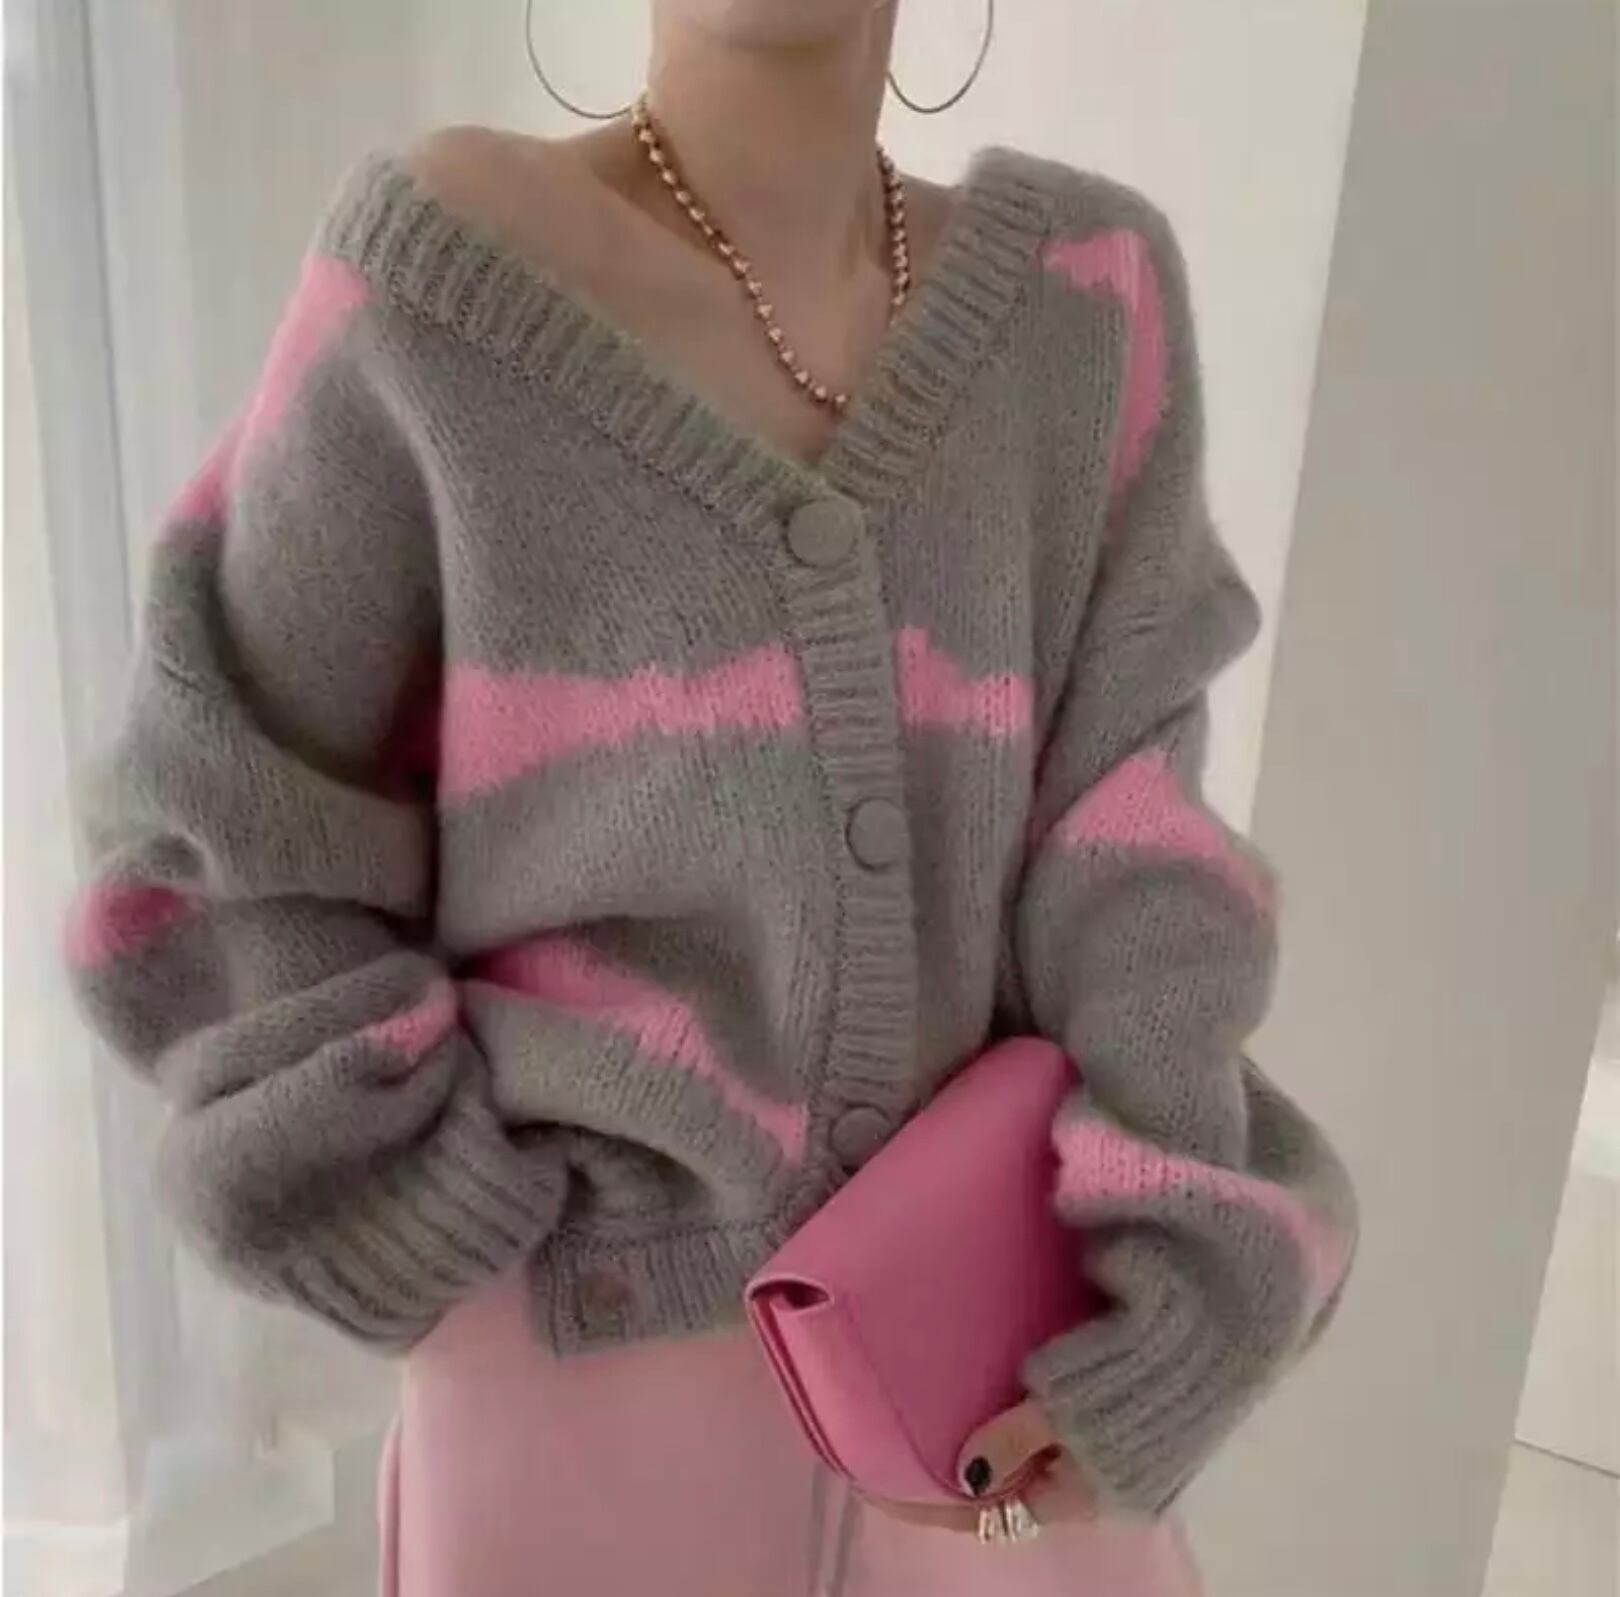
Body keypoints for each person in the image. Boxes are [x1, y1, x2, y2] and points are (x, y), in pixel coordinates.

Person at [66, 2, 1357, 1592]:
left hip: (1000, 1374)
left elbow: (1137, 856)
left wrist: (1169, 1301)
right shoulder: (439, 279)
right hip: (580, 1375)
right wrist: (427, 1199)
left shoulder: (1088, 302)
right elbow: (207, 833)